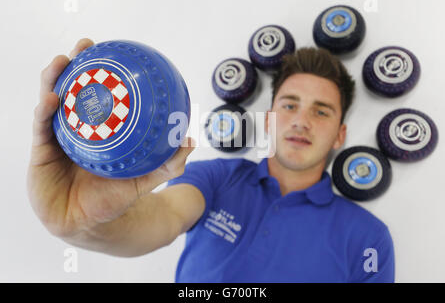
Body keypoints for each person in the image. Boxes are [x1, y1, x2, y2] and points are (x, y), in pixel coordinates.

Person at [27, 38, 394, 283]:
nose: (301, 120)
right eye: (289, 105)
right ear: (269, 117)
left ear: (340, 134)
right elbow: (162, 218)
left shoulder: (368, 239)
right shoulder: (215, 177)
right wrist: (79, 224)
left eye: (322, 111)